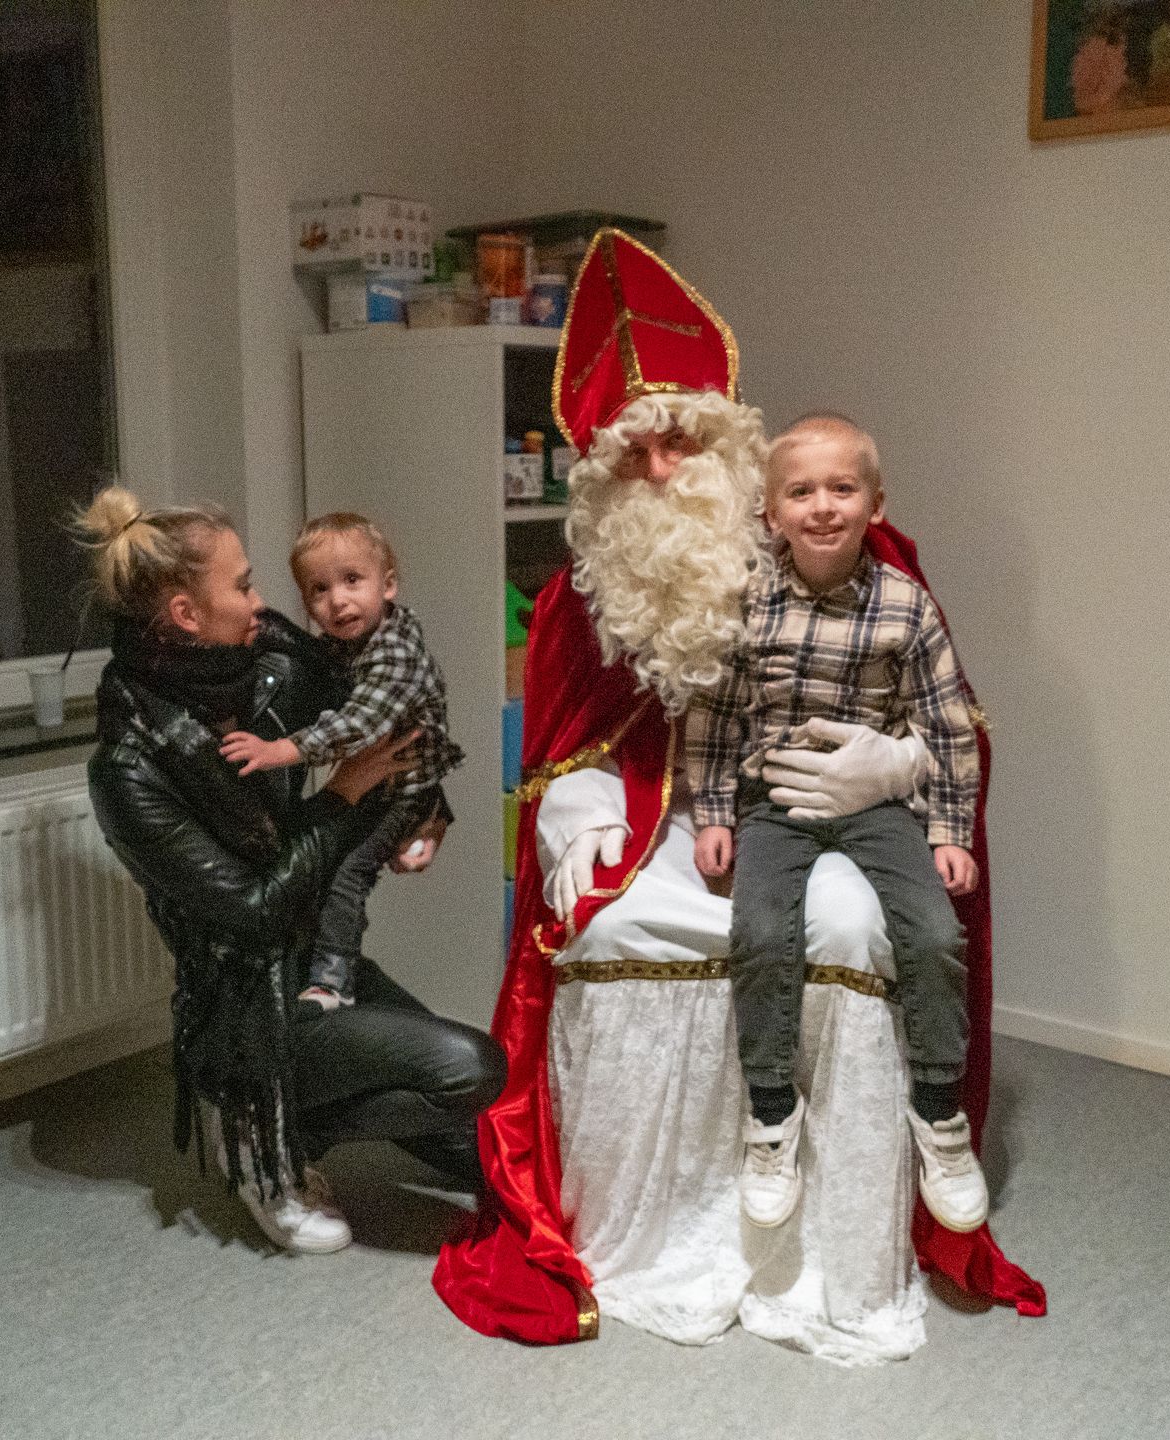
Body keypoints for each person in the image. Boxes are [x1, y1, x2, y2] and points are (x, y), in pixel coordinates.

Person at [434, 229, 1043, 1360]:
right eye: (637, 451)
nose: (664, 470)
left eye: (683, 442)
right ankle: (648, 1229)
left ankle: (844, 1247)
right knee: (604, 922)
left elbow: (953, 716)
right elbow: (563, 746)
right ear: (602, 474)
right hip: (686, 823)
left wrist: (898, 764)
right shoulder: (577, 600)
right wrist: (579, 815)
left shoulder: (859, 556)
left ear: (730, 454)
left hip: (840, 816)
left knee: (856, 927)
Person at [80, 486, 506, 1254]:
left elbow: (391, 711)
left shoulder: (264, 662)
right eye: (243, 585)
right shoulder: (128, 770)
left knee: (487, 1147)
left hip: (315, 961)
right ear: (185, 614)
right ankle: (259, 1126)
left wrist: (429, 809)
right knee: (468, 1069)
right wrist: (344, 794)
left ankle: (298, 1109)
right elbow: (254, 910)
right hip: (244, 1009)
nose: (262, 602)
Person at [687, 413, 990, 1235]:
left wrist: (949, 831)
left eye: (842, 488)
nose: (822, 506)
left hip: (874, 804)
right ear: (770, 513)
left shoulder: (906, 607)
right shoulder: (744, 603)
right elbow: (713, 716)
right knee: (759, 931)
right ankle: (771, 1114)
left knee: (934, 933)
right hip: (775, 802)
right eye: (801, 492)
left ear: (875, 504)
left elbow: (947, 725)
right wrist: (713, 814)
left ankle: (940, 1111)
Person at [217, 512, 463, 1010]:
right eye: (319, 590)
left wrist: (279, 750)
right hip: (391, 786)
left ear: (388, 585)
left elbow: (357, 724)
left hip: (403, 793)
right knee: (332, 870)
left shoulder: (394, 653)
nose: (337, 600)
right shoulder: (344, 644)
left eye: (353, 580)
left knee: (348, 874)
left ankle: (331, 982)